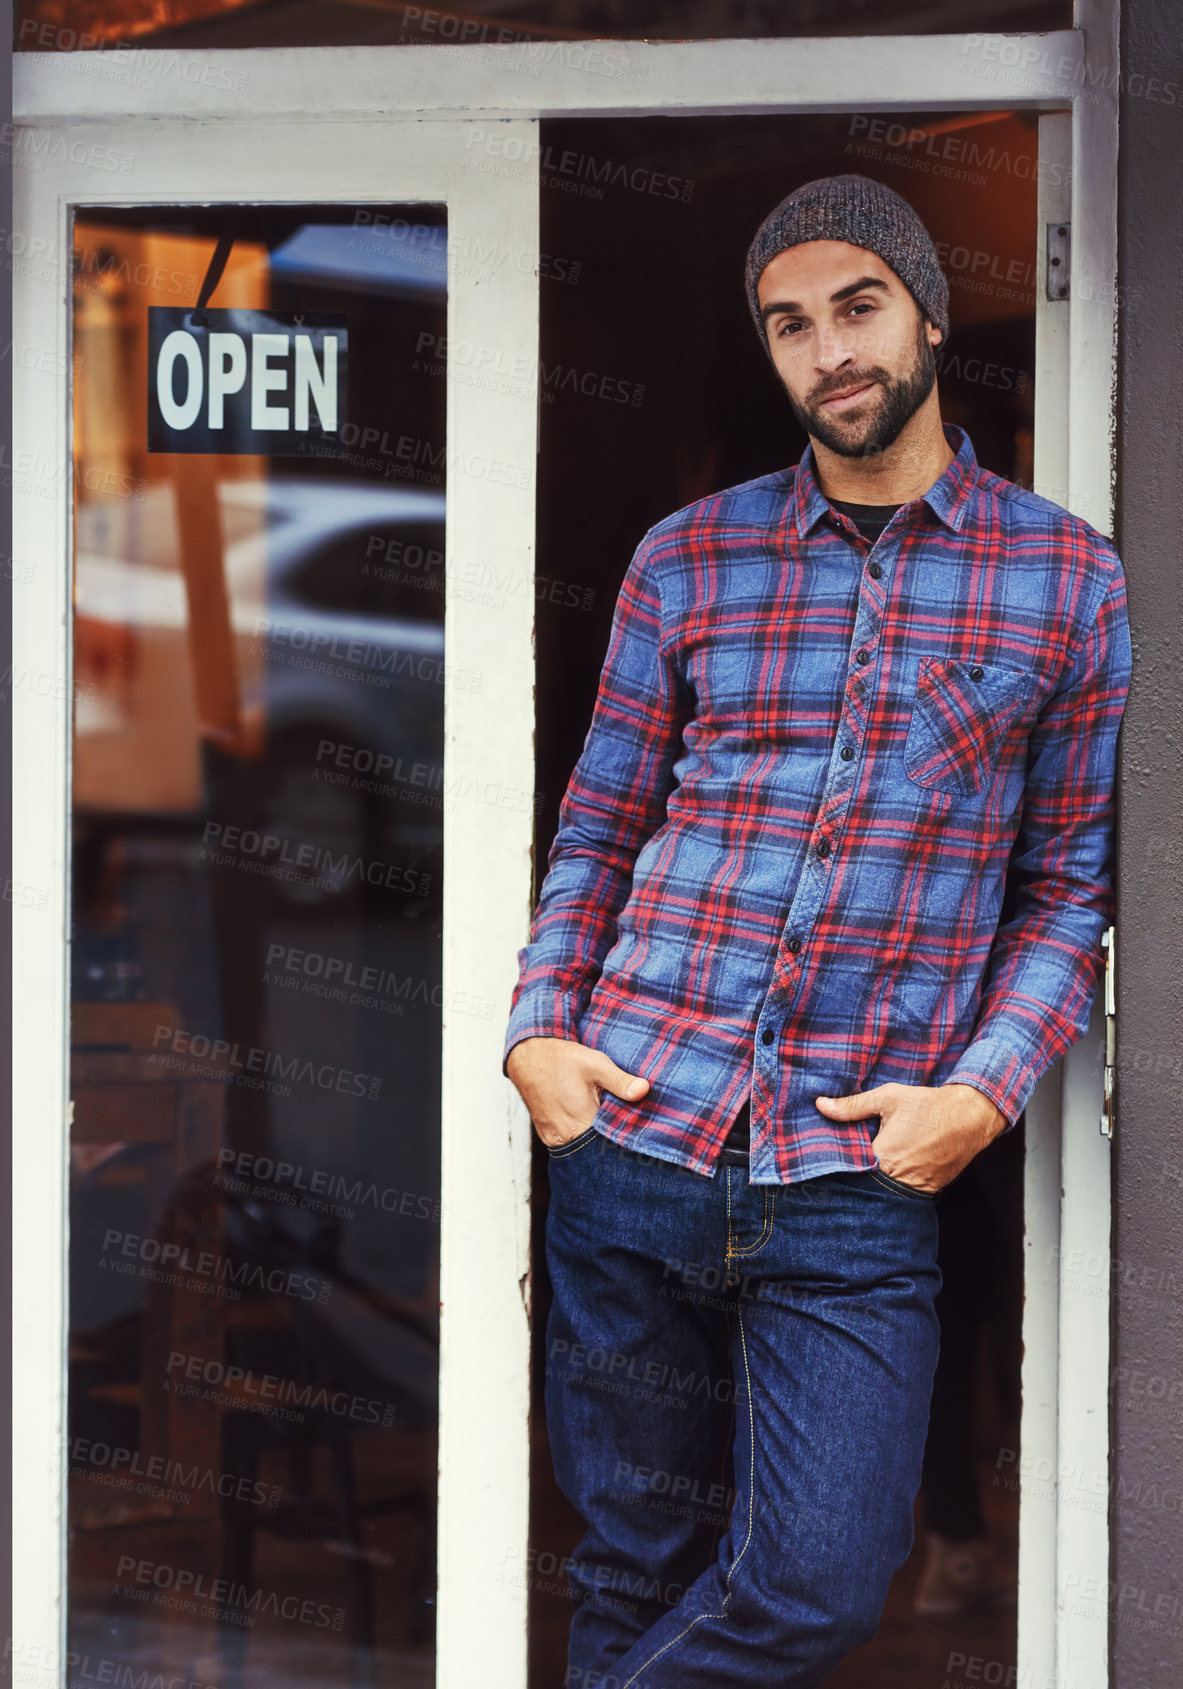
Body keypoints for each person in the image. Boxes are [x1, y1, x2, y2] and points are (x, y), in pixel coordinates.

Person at [502, 173, 1130, 1687]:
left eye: (855, 308)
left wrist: (982, 1092)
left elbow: (1069, 885)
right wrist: (540, 1035)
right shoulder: (685, 559)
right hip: (636, 1131)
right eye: (789, 324)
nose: (827, 352)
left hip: (853, 1176)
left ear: (926, 311)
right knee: (632, 1567)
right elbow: (598, 827)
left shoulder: (1064, 581)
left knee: (819, 1581)